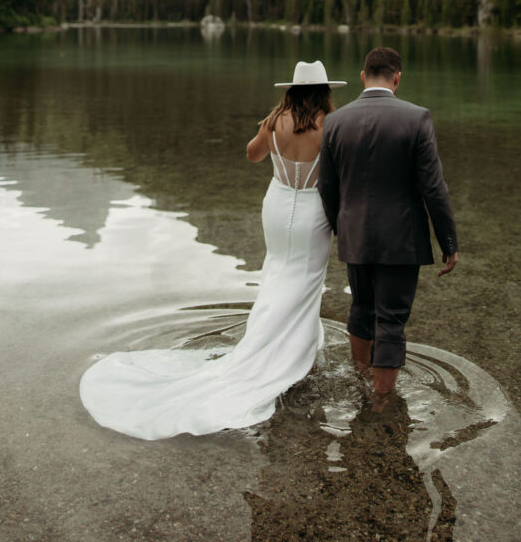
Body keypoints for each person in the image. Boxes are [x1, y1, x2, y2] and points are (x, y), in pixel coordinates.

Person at [79, 59, 346, 440]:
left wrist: (272, 138)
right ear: (324, 91)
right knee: (304, 281)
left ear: (292, 89)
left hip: (277, 203)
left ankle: (269, 341)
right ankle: (289, 352)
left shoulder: (274, 121)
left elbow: (252, 155)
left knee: (276, 273)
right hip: (311, 210)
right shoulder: (333, 126)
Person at [318, 46, 458, 402]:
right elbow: (434, 188)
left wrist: (342, 227)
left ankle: (360, 379)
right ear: (397, 78)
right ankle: (381, 404)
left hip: (355, 237)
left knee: (361, 309)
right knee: (391, 319)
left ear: (364, 77)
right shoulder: (417, 118)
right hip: (401, 240)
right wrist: (449, 242)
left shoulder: (335, 121)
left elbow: (326, 186)